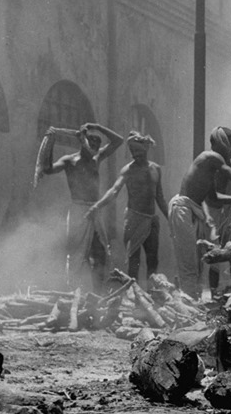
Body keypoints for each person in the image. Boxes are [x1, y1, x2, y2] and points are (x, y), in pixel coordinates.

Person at [168, 126, 231, 300]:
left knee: (197, 259)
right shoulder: (211, 157)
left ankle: (192, 299)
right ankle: (188, 301)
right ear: (220, 143)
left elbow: (214, 198)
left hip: (192, 210)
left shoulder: (211, 168)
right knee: (189, 260)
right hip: (183, 208)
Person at [42, 122, 123, 294]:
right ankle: (73, 293)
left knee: (100, 252)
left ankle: (97, 294)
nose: (94, 146)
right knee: (77, 255)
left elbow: (118, 141)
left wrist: (98, 127)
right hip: (78, 209)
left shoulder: (97, 158)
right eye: (91, 142)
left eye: (97, 144)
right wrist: (50, 142)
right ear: (82, 141)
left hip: (94, 209)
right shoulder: (70, 161)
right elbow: (47, 169)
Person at [85, 131, 168, 283]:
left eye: (138, 151)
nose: (135, 154)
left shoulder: (156, 169)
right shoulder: (128, 170)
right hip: (133, 219)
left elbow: (160, 197)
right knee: (133, 261)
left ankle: (153, 293)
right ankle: (133, 294)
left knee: (152, 259)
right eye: (132, 152)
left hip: (151, 220)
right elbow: (114, 190)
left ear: (145, 149)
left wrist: (170, 218)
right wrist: (98, 205)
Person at [205, 157, 231, 296]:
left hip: (229, 216)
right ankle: (213, 292)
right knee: (215, 255)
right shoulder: (215, 166)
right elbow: (211, 195)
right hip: (215, 214)